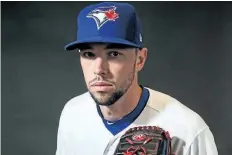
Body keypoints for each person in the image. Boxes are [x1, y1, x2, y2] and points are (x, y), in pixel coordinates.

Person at [56, 2, 218, 155]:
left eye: (113, 54)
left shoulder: (188, 130)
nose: (99, 70)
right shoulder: (72, 113)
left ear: (140, 59)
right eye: (89, 54)